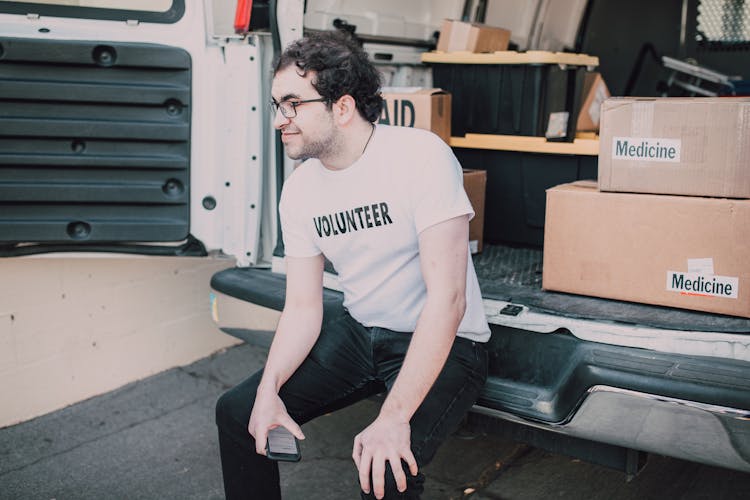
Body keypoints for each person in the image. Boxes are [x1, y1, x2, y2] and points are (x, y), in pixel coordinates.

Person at [215, 30, 490, 500]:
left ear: (341, 107)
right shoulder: (300, 190)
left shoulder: (420, 157)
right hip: (362, 331)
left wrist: (393, 417)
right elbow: (303, 308)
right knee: (239, 412)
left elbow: (448, 299)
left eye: (292, 104)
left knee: (386, 465)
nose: (280, 120)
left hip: (446, 340)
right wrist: (269, 387)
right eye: (277, 105)